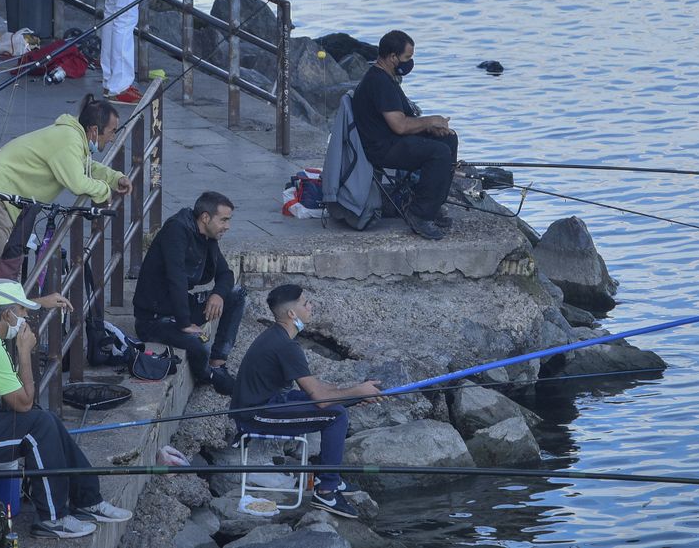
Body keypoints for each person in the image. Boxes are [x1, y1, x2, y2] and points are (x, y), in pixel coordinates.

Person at [0, 280, 132, 539]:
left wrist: (42, 302)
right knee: (38, 427)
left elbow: (3, 307)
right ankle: (52, 519)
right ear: (7, 315)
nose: (26, 317)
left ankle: (88, 500)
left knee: (46, 419)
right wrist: (24, 352)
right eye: (22, 311)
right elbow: (24, 402)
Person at [232, 284, 381, 519]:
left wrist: (355, 395)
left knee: (339, 407)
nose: (311, 306)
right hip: (255, 415)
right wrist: (357, 391)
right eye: (305, 303)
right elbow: (320, 399)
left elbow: (316, 389)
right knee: (336, 416)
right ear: (292, 313)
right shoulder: (286, 346)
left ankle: (329, 477)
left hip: (271, 401)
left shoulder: (278, 336)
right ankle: (326, 491)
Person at [0, 94, 131, 281]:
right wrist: (104, 190)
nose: (113, 138)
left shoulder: (74, 137)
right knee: (0, 274)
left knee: (10, 270)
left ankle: (12, 300)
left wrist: (115, 178)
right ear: (94, 130)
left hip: (5, 200)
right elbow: (77, 183)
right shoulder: (68, 140)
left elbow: (86, 167)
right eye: (112, 131)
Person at [131, 191, 245, 395]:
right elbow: (176, 278)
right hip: (154, 319)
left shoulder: (207, 236)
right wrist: (184, 324)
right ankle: (208, 375)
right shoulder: (176, 230)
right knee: (199, 345)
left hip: (178, 308)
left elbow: (226, 274)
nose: (227, 226)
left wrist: (218, 294)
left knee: (236, 294)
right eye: (224, 220)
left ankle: (218, 363)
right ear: (206, 217)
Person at [350, 29, 459, 240]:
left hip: (394, 140)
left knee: (448, 139)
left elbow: (403, 120)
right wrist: (431, 121)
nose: (410, 63)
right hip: (382, 148)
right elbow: (399, 126)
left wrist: (429, 128)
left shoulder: (386, 77)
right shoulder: (379, 82)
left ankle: (432, 204)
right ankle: (419, 214)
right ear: (393, 57)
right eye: (407, 57)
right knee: (438, 153)